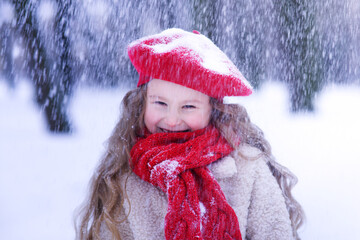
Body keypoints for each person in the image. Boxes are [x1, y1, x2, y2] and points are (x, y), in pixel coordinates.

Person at [75, 28, 304, 240]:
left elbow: (275, 232)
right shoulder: (124, 175)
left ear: (213, 110)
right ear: (142, 103)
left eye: (189, 107)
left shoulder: (248, 167)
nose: (172, 119)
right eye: (160, 103)